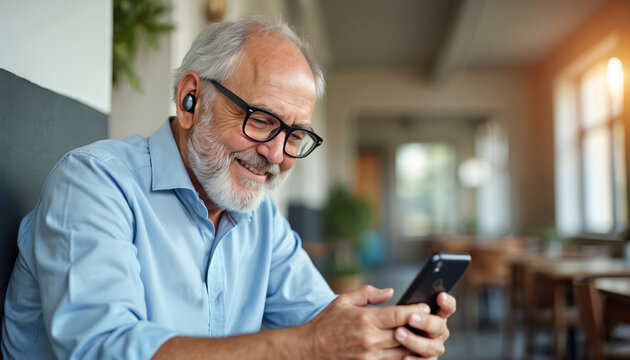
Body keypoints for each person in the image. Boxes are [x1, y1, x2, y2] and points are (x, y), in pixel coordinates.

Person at [1, 16, 455, 359]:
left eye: (294, 136)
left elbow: (321, 322)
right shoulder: (94, 183)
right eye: (261, 121)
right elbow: (102, 348)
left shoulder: (261, 218)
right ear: (190, 101)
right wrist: (311, 343)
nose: (277, 156)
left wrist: (387, 337)